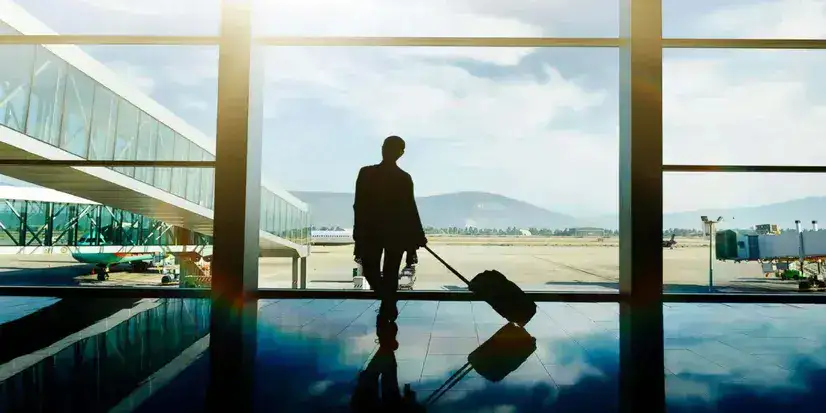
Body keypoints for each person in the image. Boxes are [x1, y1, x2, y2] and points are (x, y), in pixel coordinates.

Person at [353, 135, 427, 299]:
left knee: (374, 271)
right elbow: (410, 210)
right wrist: (417, 235)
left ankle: (386, 301)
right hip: (393, 233)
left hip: (373, 232)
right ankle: (388, 301)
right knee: (389, 273)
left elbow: (359, 206)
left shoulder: (366, 173)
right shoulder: (403, 178)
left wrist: (358, 233)